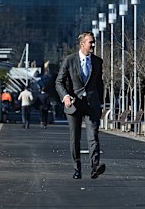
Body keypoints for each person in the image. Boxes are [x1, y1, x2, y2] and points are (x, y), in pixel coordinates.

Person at [55, 31, 105, 180]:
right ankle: (77, 168)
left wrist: (100, 101)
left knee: (93, 136)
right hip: (74, 104)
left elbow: (98, 83)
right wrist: (65, 96)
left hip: (91, 105)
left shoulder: (97, 61)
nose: (93, 45)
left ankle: (95, 167)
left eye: (94, 42)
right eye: (91, 42)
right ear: (82, 44)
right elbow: (59, 82)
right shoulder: (69, 60)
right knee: (75, 138)